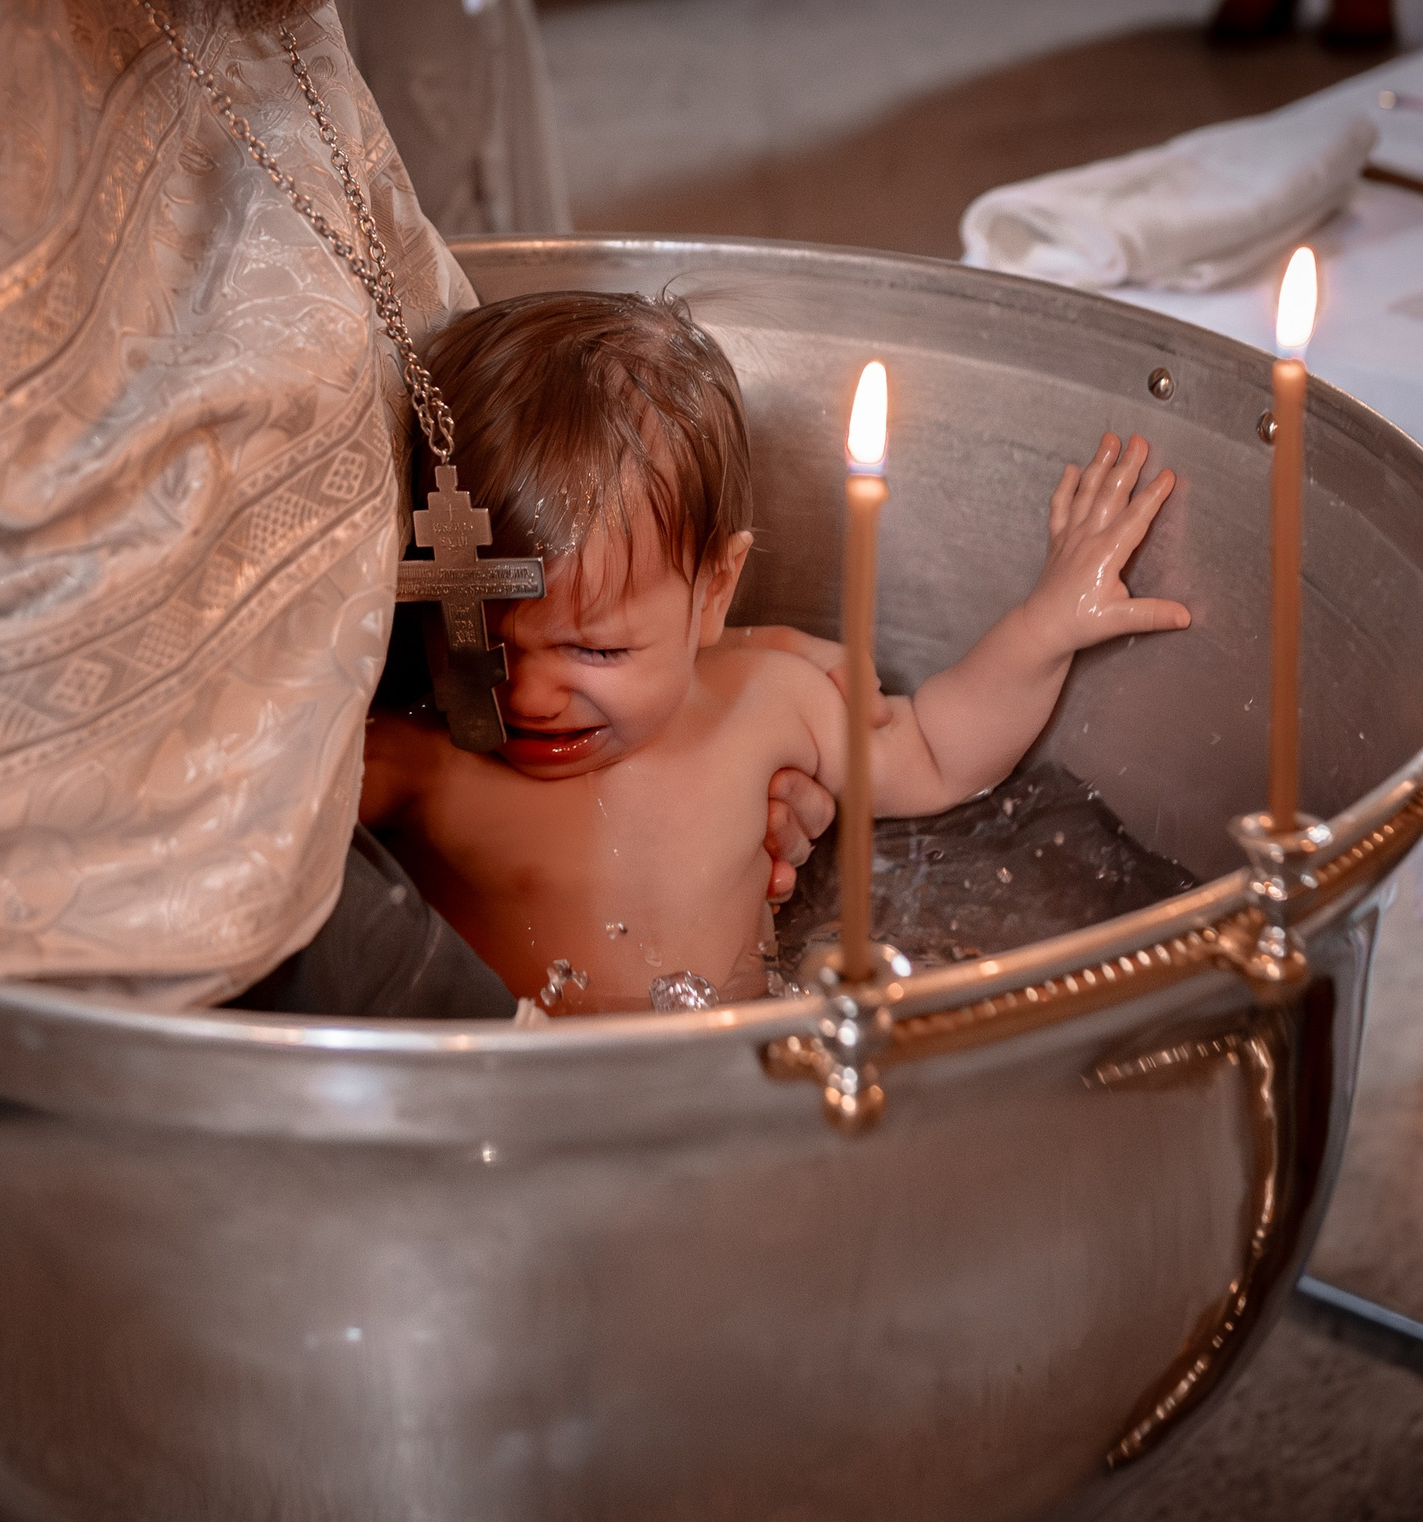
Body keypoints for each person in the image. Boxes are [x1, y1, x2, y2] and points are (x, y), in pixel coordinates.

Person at [361, 292, 1187, 1014]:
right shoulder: (421, 762)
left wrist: (1047, 621)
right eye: (480, 639)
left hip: (743, 1081)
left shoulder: (765, 705)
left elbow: (936, 754)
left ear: (715, 591)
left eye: (597, 651)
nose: (533, 696)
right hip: (521, 1107)